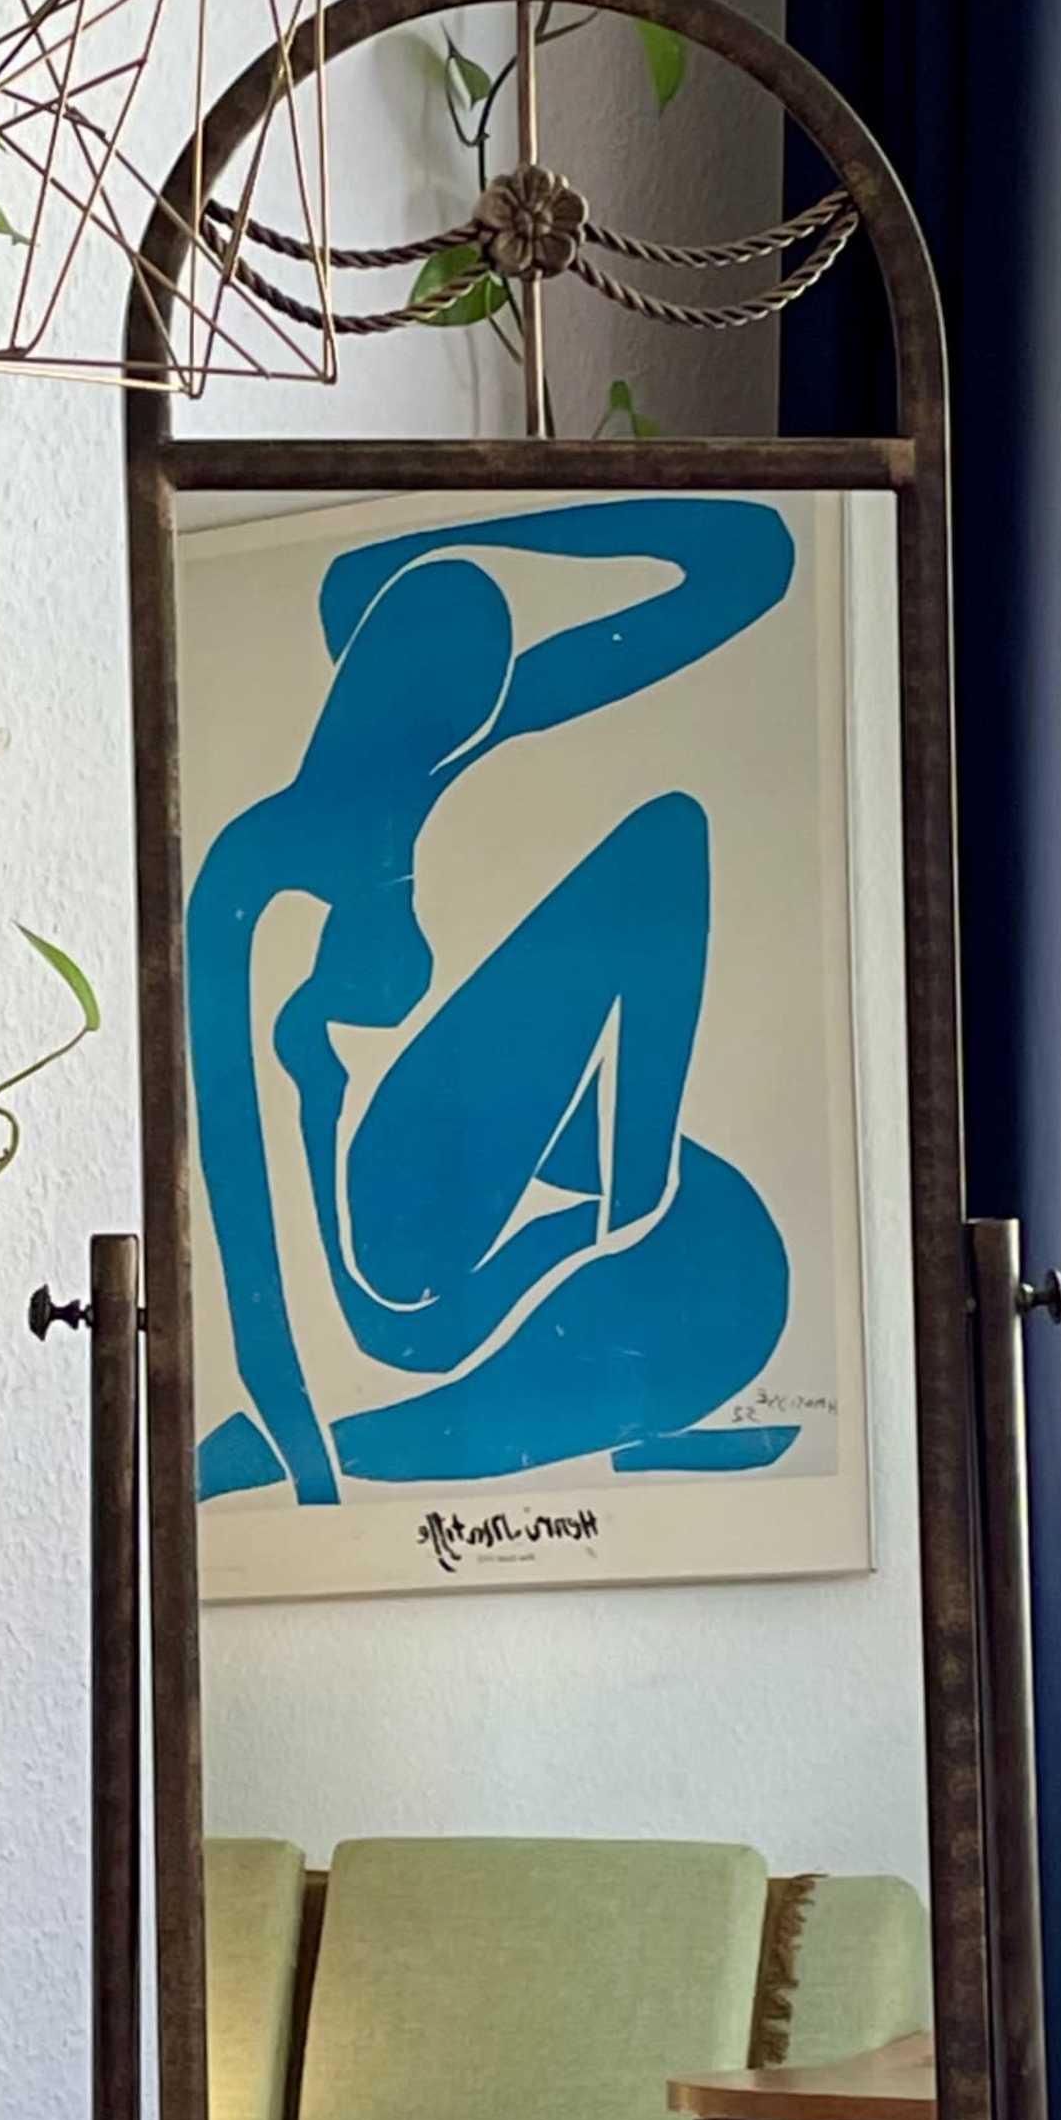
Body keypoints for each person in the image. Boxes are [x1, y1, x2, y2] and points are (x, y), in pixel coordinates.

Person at [188, 494, 802, 1506]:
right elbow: (236, 1177)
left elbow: (752, 558)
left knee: (731, 1256)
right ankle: (619, 1240)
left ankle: (627, 1305)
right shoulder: (254, 870)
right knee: (661, 843)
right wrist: (298, 1440)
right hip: (389, 1272)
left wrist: (455, 534)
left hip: (482, 1205)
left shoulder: (448, 758)